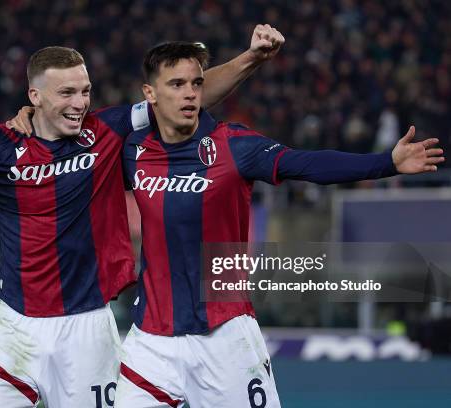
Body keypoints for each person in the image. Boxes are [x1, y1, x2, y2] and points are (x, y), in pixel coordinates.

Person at [0, 25, 285, 408]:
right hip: (14, 329)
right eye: (67, 92)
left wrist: (250, 58)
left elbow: (182, 97)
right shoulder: (0, 143)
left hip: (87, 332)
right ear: (34, 97)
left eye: (85, 91)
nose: (79, 103)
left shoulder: (104, 131)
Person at [115, 41, 445, 408]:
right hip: (151, 340)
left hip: (224, 336)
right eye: (176, 85)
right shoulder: (132, 152)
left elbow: (307, 164)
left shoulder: (235, 145)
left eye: (196, 83)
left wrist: (386, 163)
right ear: (150, 94)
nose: (190, 93)